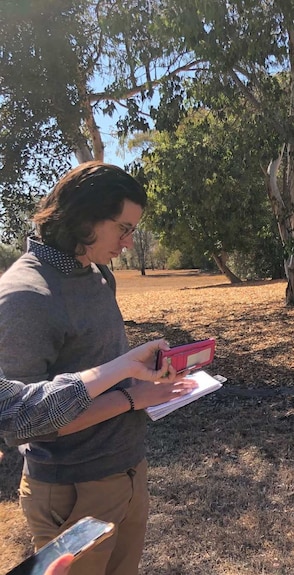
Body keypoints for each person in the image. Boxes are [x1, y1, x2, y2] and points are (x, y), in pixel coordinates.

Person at [0, 162, 194, 575]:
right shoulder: (24, 298)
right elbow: (23, 423)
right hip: (73, 488)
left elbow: (99, 360)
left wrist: (141, 371)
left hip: (127, 470)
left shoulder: (97, 272)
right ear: (84, 217)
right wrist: (129, 398)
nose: (127, 244)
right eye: (123, 229)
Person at [1, 338, 189, 443]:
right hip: (73, 481)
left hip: (126, 466)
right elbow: (18, 416)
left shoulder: (101, 276)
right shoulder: (24, 296)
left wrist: (128, 367)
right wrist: (130, 396)